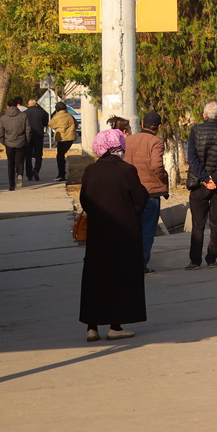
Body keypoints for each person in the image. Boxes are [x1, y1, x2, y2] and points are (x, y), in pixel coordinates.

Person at [79, 128, 148, 341]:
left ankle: (92, 327)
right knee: (119, 278)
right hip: (123, 234)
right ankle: (115, 326)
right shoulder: (127, 171)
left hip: (97, 234)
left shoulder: (90, 170)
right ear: (118, 145)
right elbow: (140, 199)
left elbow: (84, 201)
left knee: (95, 278)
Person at [185, 101, 217, 270]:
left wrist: (205, 179)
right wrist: (215, 178)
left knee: (197, 224)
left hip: (199, 184)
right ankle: (212, 259)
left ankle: (195, 261)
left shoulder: (196, 131)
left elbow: (192, 159)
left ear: (204, 115)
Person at [123, 111, 169, 273]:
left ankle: (128, 262)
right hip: (150, 193)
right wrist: (163, 179)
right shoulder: (156, 142)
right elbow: (157, 165)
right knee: (147, 230)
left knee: (131, 229)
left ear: (142, 125)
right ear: (158, 127)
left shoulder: (128, 140)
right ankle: (140, 265)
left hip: (131, 192)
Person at [0, 98, 32, 190]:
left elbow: (0, 133)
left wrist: (4, 142)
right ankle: (20, 174)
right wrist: (27, 140)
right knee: (20, 161)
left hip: (9, 142)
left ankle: (11, 185)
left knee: (10, 163)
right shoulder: (23, 116)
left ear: (8, 106)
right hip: (21, 142)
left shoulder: (3, 118)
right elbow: (28, 130)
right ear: (17, 105)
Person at [49, 102, 77, 181]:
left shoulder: (57, 116)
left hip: (61, 139)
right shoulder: (70, 116)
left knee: (60, 156)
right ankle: (62, 173)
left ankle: (61, 174)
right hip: (70, 138)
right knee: (62, 154)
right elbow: (76, 125)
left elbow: (51, 124)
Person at [24, 99, 49, 182]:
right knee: (38, 155)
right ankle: (36, 169)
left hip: (28, 137)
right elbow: (46, 123)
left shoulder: (24, 113)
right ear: (36, 105)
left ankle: (29, 175)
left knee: (28, 156)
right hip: (38, 136)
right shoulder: (42, 112)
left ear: (28, 105)